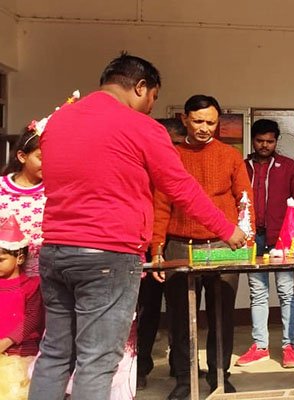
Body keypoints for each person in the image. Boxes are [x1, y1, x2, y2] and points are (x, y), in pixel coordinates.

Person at [28, 53, 246, 400]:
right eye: (153, 97)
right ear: (141, 86)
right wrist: (227, 228)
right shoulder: (140, 127)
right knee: (96, 360)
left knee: (55, 353)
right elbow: (180, 188)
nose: (150, 106)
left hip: (56, 250)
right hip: (108, 254)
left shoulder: (59, 120)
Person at [151, 94, 254, 398]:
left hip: (224, 245)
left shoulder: (231, 156)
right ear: (184, 119)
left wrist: (246, 239)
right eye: (198, 121)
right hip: (180, 246)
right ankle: (185, 379)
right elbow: (160, 205)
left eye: (211, 122)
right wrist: (156, 248)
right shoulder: (171, 156)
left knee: (222, 315)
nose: (204, 128)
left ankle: (220, 375)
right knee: (182, 317)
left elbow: (245, 200)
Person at [236, 119, 294, 368]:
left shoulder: (288, 167)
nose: (264, 145)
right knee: (258, 293)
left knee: (287, 292)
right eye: (260, 141)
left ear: (276, 141)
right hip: (252, 238)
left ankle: (289, 347)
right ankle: (260, 346)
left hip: (283, 239)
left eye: (269, 141)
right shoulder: (242, 167)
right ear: (252, 140)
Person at [136, 117, 187, 390]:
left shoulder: (180, 166)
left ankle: (181, 366)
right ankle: (141, 365)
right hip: (146, 247)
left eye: (178, 144)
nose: (173, 150)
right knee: (147, 309)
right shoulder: (140, 167)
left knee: (181, 310)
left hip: (177, 244)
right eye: (171, 143)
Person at [0, 216, 44, 400]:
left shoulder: (31, 286)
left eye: (1, 259)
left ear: (19, 258)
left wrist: (6, 342)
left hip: (19, 354)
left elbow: (33, 318)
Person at [0, 129, 45, 277]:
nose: (48, 163)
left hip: (42, 275)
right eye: (41, 158)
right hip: (6, 276)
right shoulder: (2, 188)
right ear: (22, 156)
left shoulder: (53, 191)